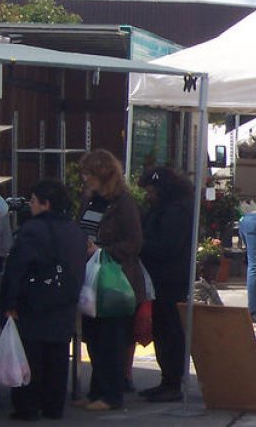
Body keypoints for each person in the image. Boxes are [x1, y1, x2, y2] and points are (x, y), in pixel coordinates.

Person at [0, 179, 87, 421]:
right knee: (58, 357)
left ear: (45, 204)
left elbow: (16, 269)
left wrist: (9, 302)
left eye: (34, 200)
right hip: (66, 301)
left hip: (34, 301)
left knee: (31, 356)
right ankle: (53, 406)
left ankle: (28, 406)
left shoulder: (31, 231)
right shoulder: (75, 231)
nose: (30, 204)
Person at [75, 149, 145, 412]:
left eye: (89, 174)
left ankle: (112, 394)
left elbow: (135, 242)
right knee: (93, 337)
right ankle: (96, 391)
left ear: (103, 174)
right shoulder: (90, 200)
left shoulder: (123, 203)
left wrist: (103, 250)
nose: (85, 179)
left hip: (115, 279)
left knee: (112, 340)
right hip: (91, 275)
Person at [137, 167, 195, 402]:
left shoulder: (176, 211)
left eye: (151, 191)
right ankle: (167, 380)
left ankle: (172, 381)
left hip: (170, 278)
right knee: (162, 330)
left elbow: (167, 246)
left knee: (170, 330)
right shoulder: (164, 209)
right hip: (162, 277)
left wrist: (139, 244)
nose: (148, 196)